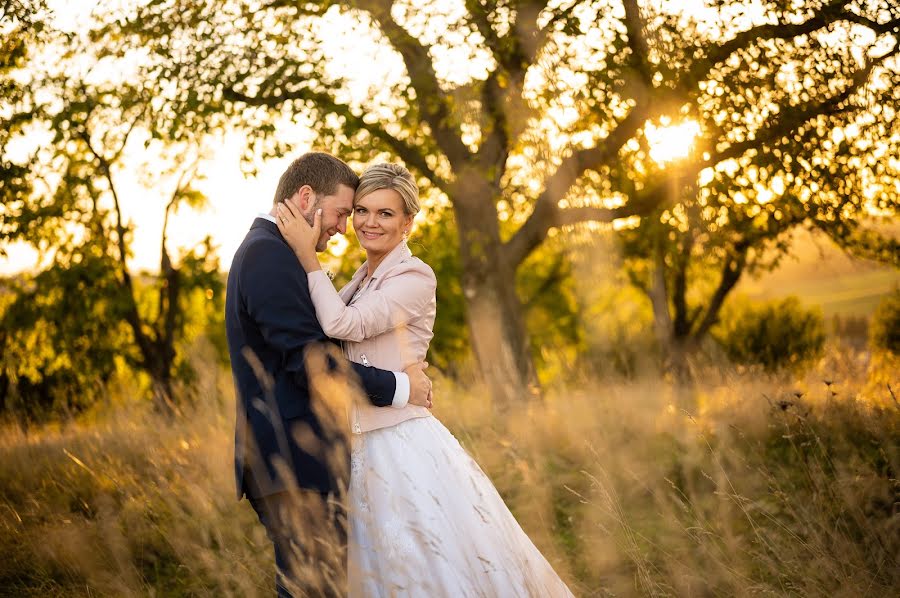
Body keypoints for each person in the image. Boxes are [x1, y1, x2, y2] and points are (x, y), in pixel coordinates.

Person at [276, 162, 575, 597]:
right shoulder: (361, 277)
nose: (368, 223)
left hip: (399, 443)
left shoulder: (415, 277)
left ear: (408, 222)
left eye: (385, 213)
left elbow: (341, 325)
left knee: (428, 563)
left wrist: (306, 254)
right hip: (357, 445)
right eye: (361, 210)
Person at [225, 152, 434, 598]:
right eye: (345, 212)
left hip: (309, 459)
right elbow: (310, 359)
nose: (345, 227)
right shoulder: (270, 255)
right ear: (306, 198)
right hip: (291, 461)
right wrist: (400, 385)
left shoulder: (278, 253)